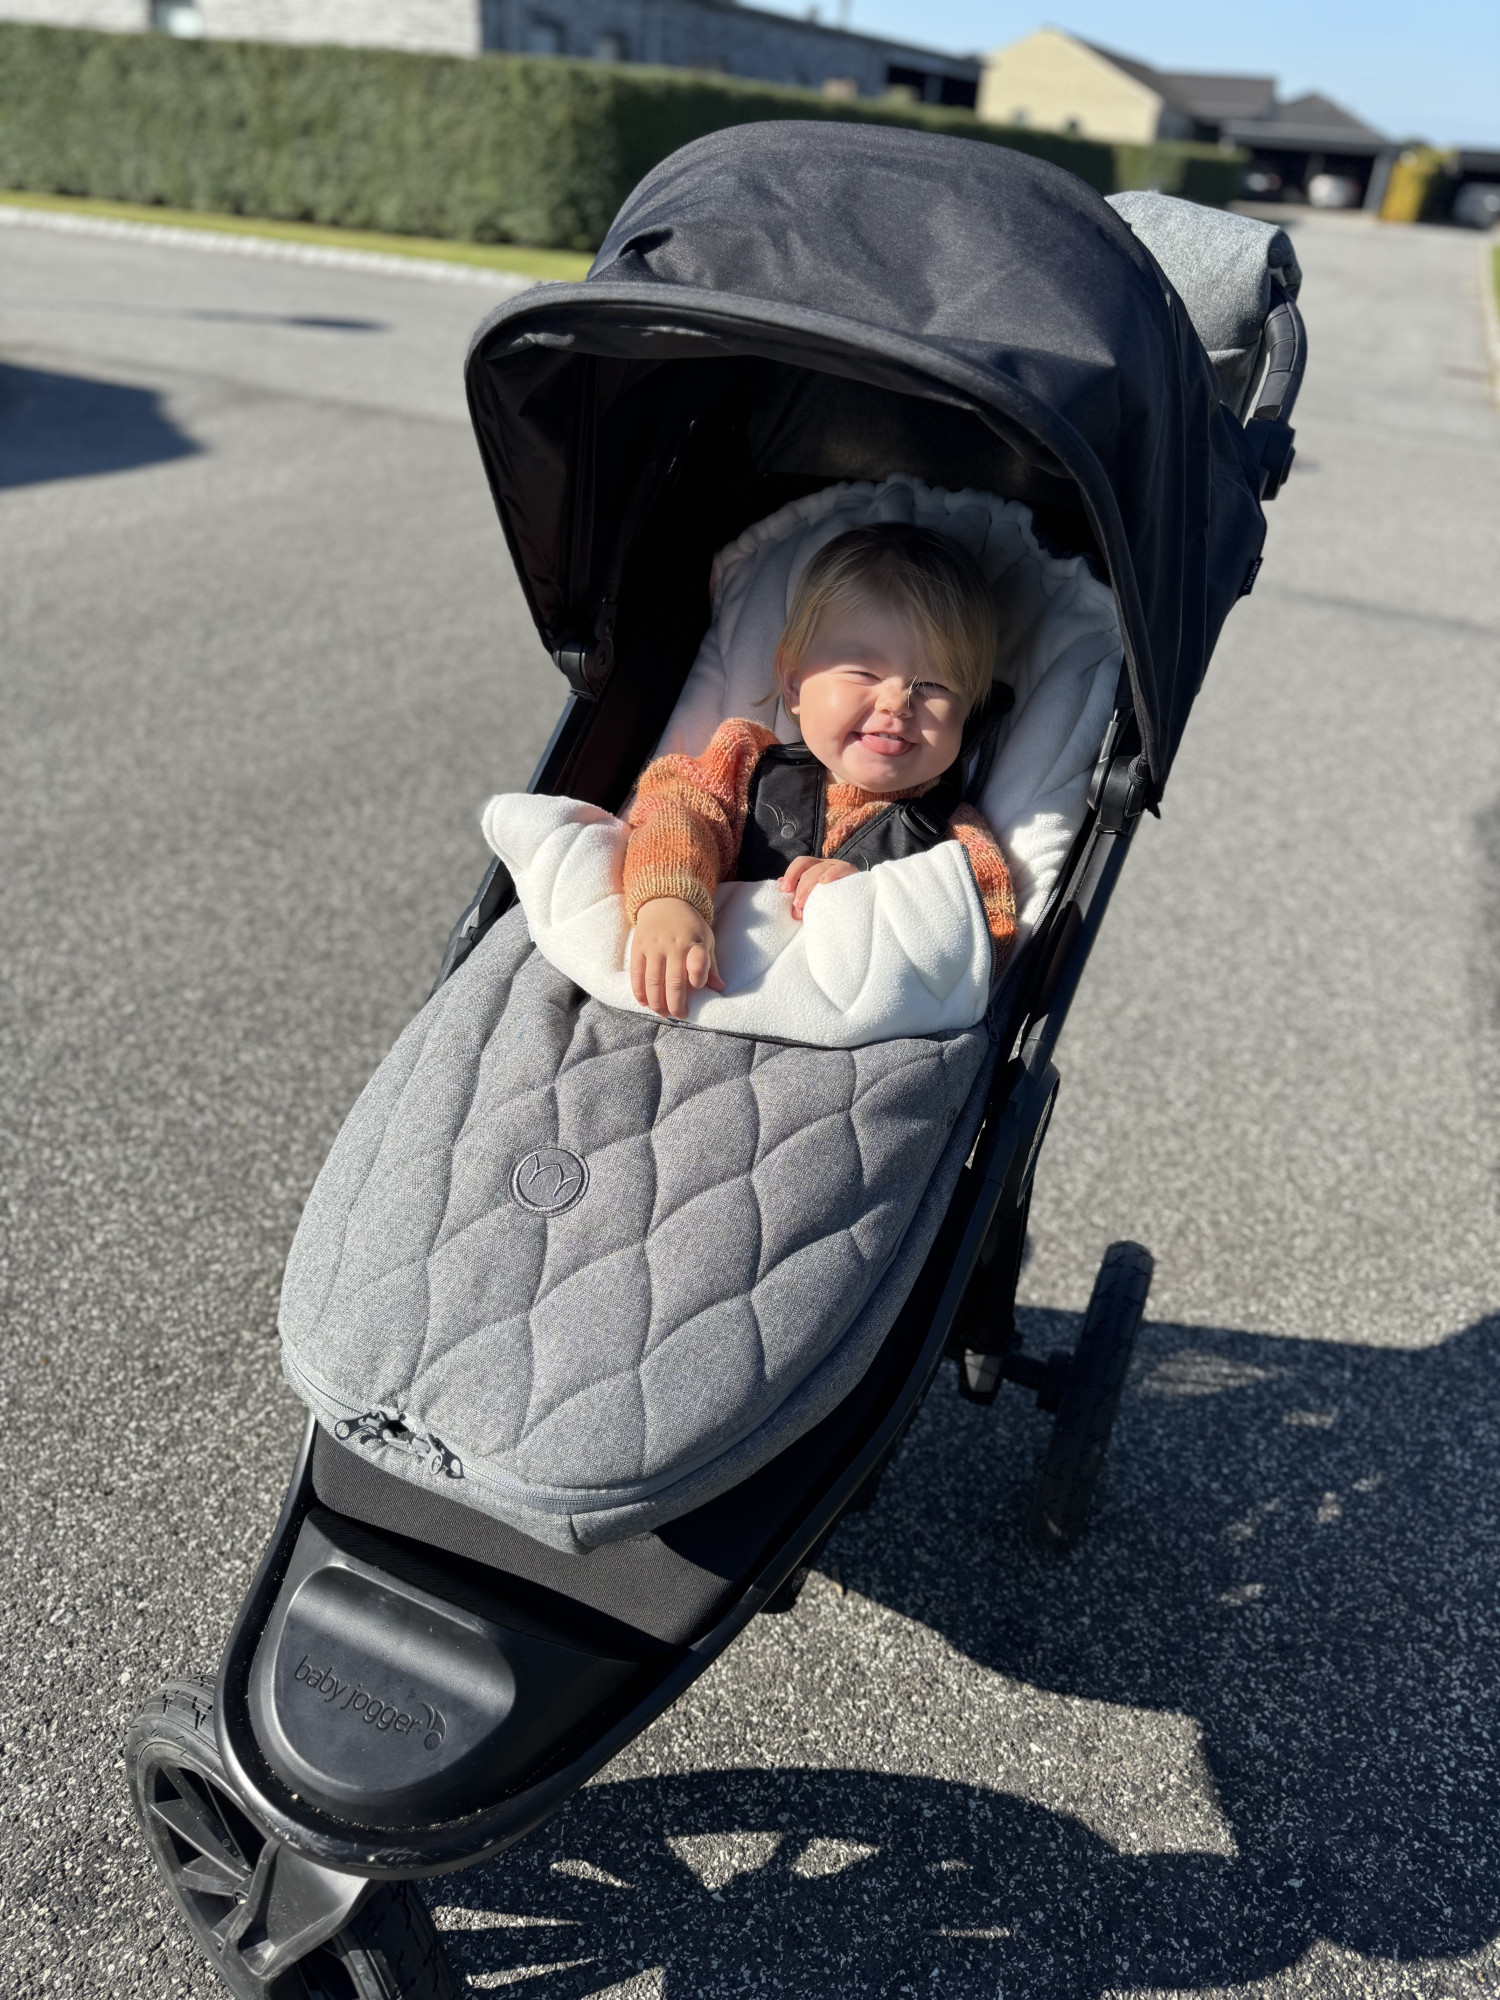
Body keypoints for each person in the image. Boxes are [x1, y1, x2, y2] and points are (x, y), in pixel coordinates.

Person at [624, 522, 1017, 1020]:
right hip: (701, 1001)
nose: (897, 703)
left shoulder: (952, 839)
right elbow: (674, 812)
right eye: (864, 673)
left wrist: (869, 902)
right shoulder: (745, 765)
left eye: (933, 685)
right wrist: (669, 900)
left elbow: (988, 937)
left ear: (967, 713)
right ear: (794, 684)